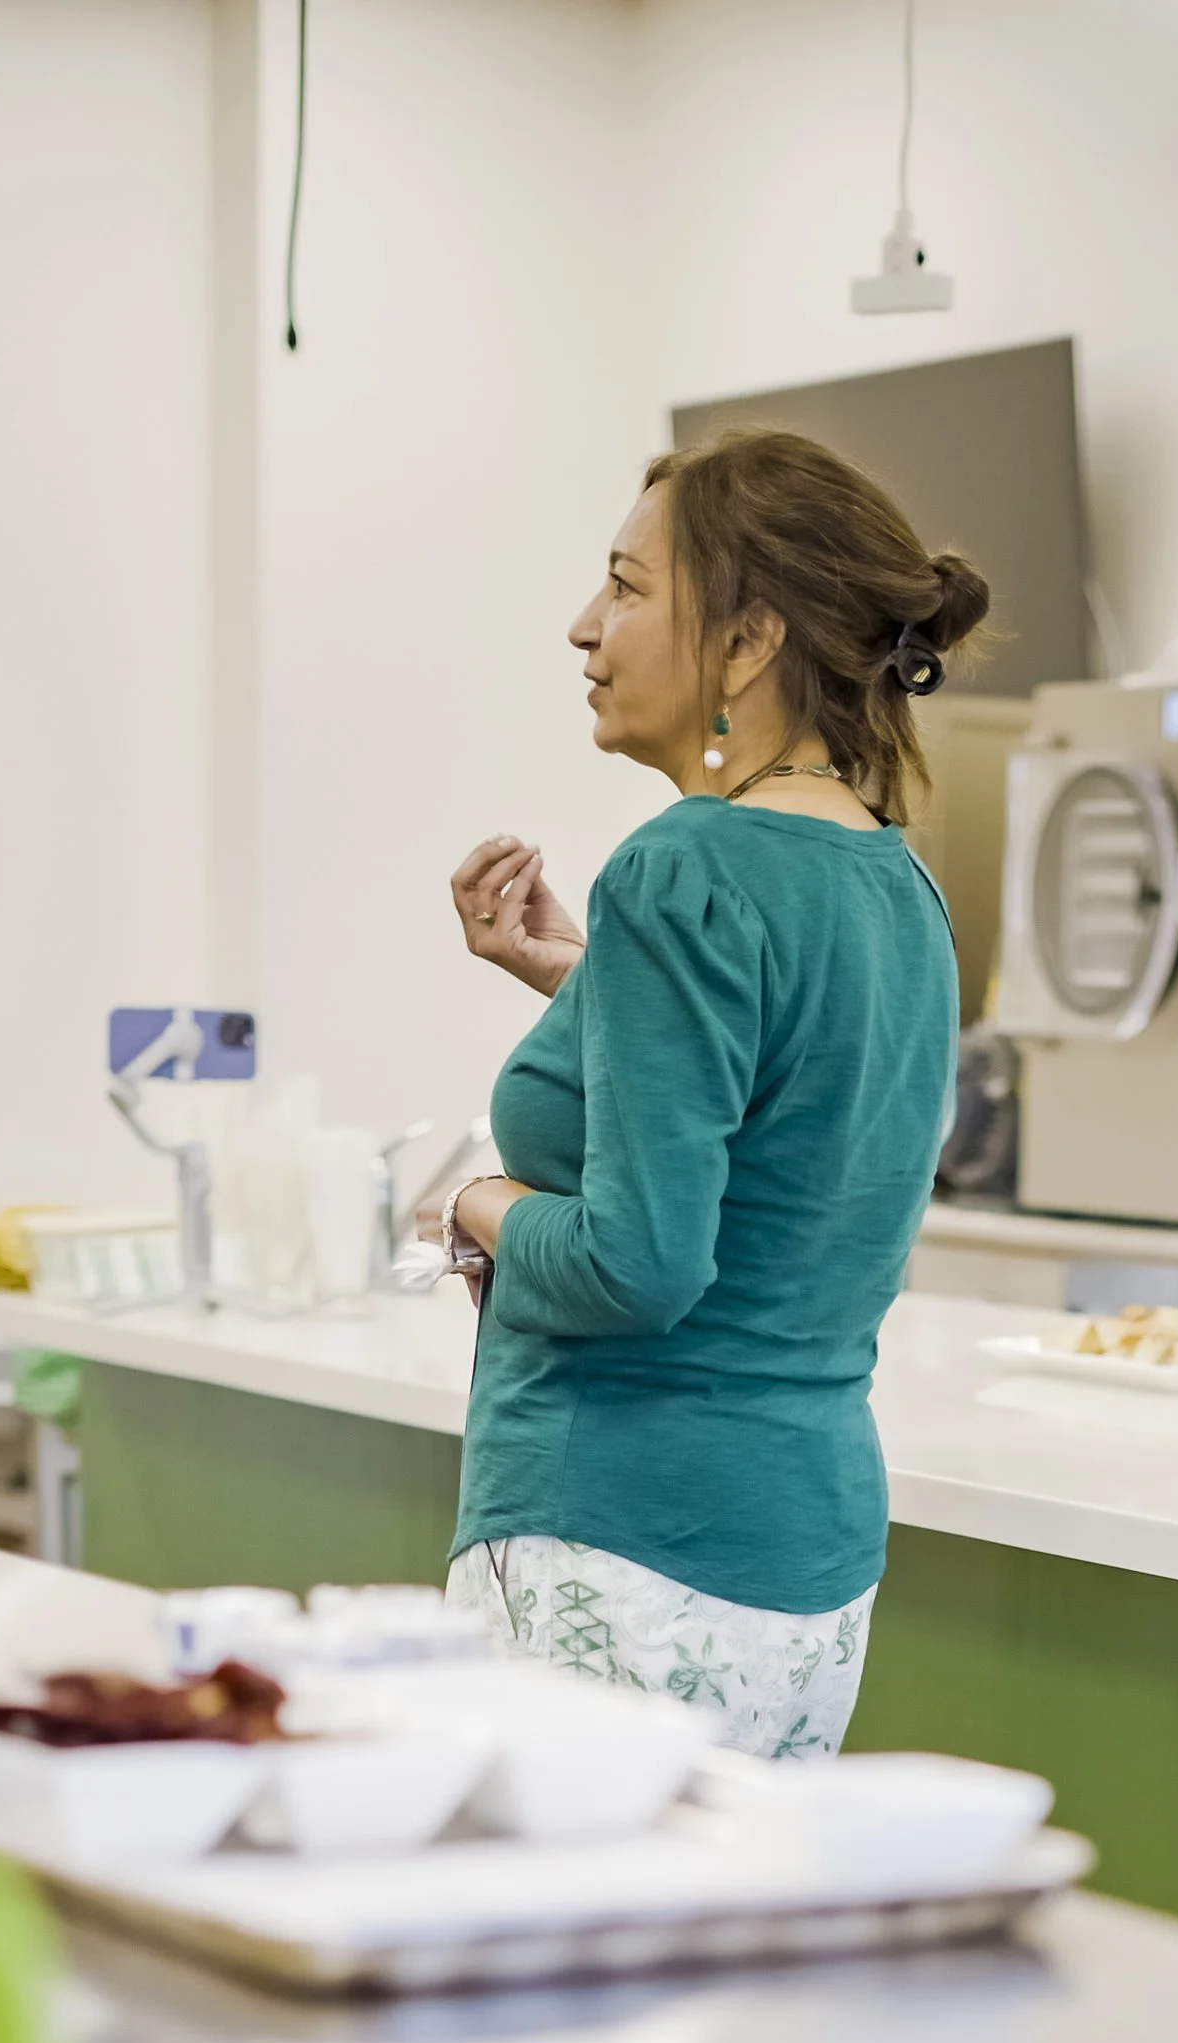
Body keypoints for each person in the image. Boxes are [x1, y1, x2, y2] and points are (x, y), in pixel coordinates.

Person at [427, 430, 989, 1756]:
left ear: (745, 642)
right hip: (806, 1570)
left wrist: (479, 1200)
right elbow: (778, 1100)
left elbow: (636, 1264)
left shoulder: (681, 868)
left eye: (625, 587)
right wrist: (587, 978)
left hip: (622, 1538)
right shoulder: (895, 882)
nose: (583, 626)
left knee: (565, 1957)